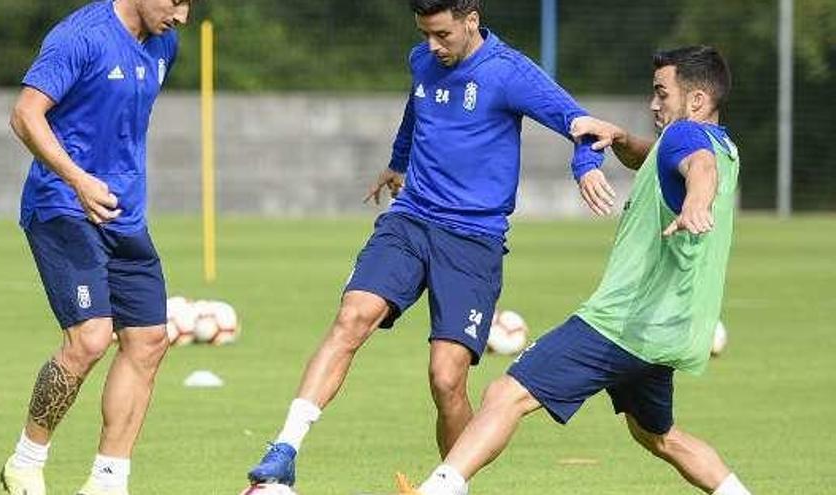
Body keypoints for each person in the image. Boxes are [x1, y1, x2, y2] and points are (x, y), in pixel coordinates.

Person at [244, 0, 613, 489]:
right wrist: (398, 162)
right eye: (425, 34)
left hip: (473, 240)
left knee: (446, 378)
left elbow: (582, 125)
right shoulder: (423, 60)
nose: (432, 46)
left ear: (470, 21)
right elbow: (415, 111)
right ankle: (284, 448)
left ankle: (452, 483)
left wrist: (585, 168)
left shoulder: (509, 72)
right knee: (353, 315)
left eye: (442, 34)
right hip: (410, 220)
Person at [395, 45, 753, 495]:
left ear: (697, 101)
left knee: (506, 394)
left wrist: (698, 201)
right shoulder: (725, 148)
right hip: (669, 330)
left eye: (662, 93)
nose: (653, 103)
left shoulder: (687, 142)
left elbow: (696, 168)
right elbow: (667, 159)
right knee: (658, 435)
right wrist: (621, 138)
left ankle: (437, 490)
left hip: (622, 322)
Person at [0, 1, 193, 494]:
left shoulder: (163, 41)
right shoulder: (79, 37)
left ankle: (107, 482)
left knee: (149, 340)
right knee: (90, 338)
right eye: (177, 1)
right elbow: (25, 114)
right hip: (62, 204)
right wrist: (78, 179)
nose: (184, 15)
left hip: (124, 215)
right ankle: (25, 461)